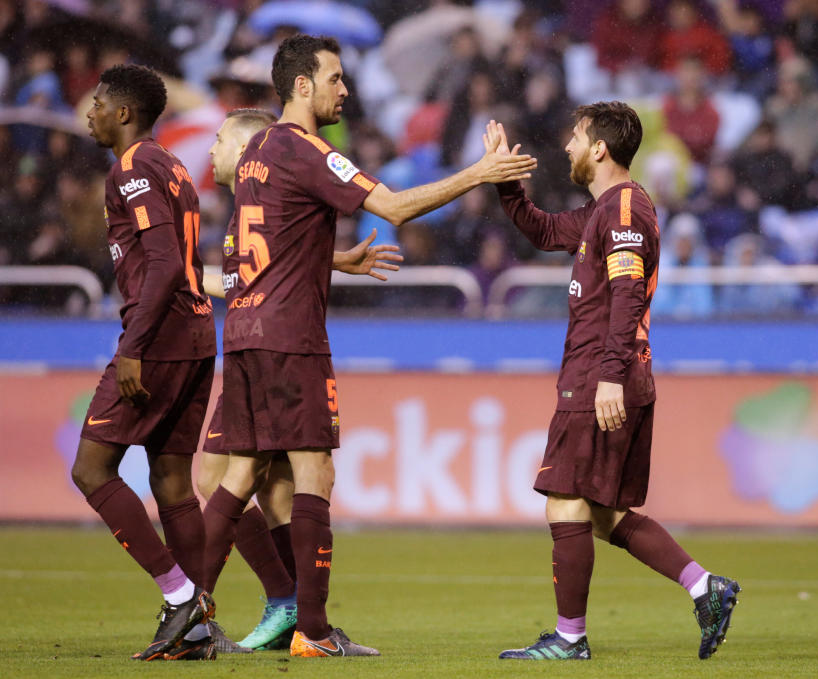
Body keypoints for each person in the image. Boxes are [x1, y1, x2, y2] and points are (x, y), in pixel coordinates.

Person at [199, 33, 537, 659]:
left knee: (238, 474)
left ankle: (188, 613)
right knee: (313, 472)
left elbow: (268, 244)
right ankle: (315, 632)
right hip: (290, 337)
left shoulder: (256, 152)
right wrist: (482, 173)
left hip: (243, 332)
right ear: (303, 85)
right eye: (334, 77)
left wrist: (335, 262)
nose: (344, 89)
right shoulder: (306, 148)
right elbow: (397, 207)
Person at [486, 103, 740, 661]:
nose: (569, 147)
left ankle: (570, 639)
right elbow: (546, 229)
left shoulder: (623, 207)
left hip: (601, 375)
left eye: (576, 137)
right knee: (601, 513)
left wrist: (607, 379)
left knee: (563, 500)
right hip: (613, 373)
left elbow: (626, 295)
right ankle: (704, 586)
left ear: (600, 148)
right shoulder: (606, 208)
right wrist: (505, 185)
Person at [199, 107, 403, 651]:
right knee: (246, 477)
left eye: (219, 140)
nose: (211, 150)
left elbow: (262, 263)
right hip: (269, 340)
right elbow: (255, 267)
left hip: (259, 340)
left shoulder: (262, 179)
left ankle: (274, 608)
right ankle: (292, 609)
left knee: (261, 480)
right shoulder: (247, 196)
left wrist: (330, 261)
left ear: (245, 149)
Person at [72, 64, 217, 661]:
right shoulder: (172, 165)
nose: (91, 111)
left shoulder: (132, 169)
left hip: (158, 337)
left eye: (100, 102)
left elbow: (162, 262)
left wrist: (132, 345)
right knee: (173, 481)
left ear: (124, 113)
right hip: (197, 334)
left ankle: (182, 597)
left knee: (91, 470)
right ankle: (200, 627)